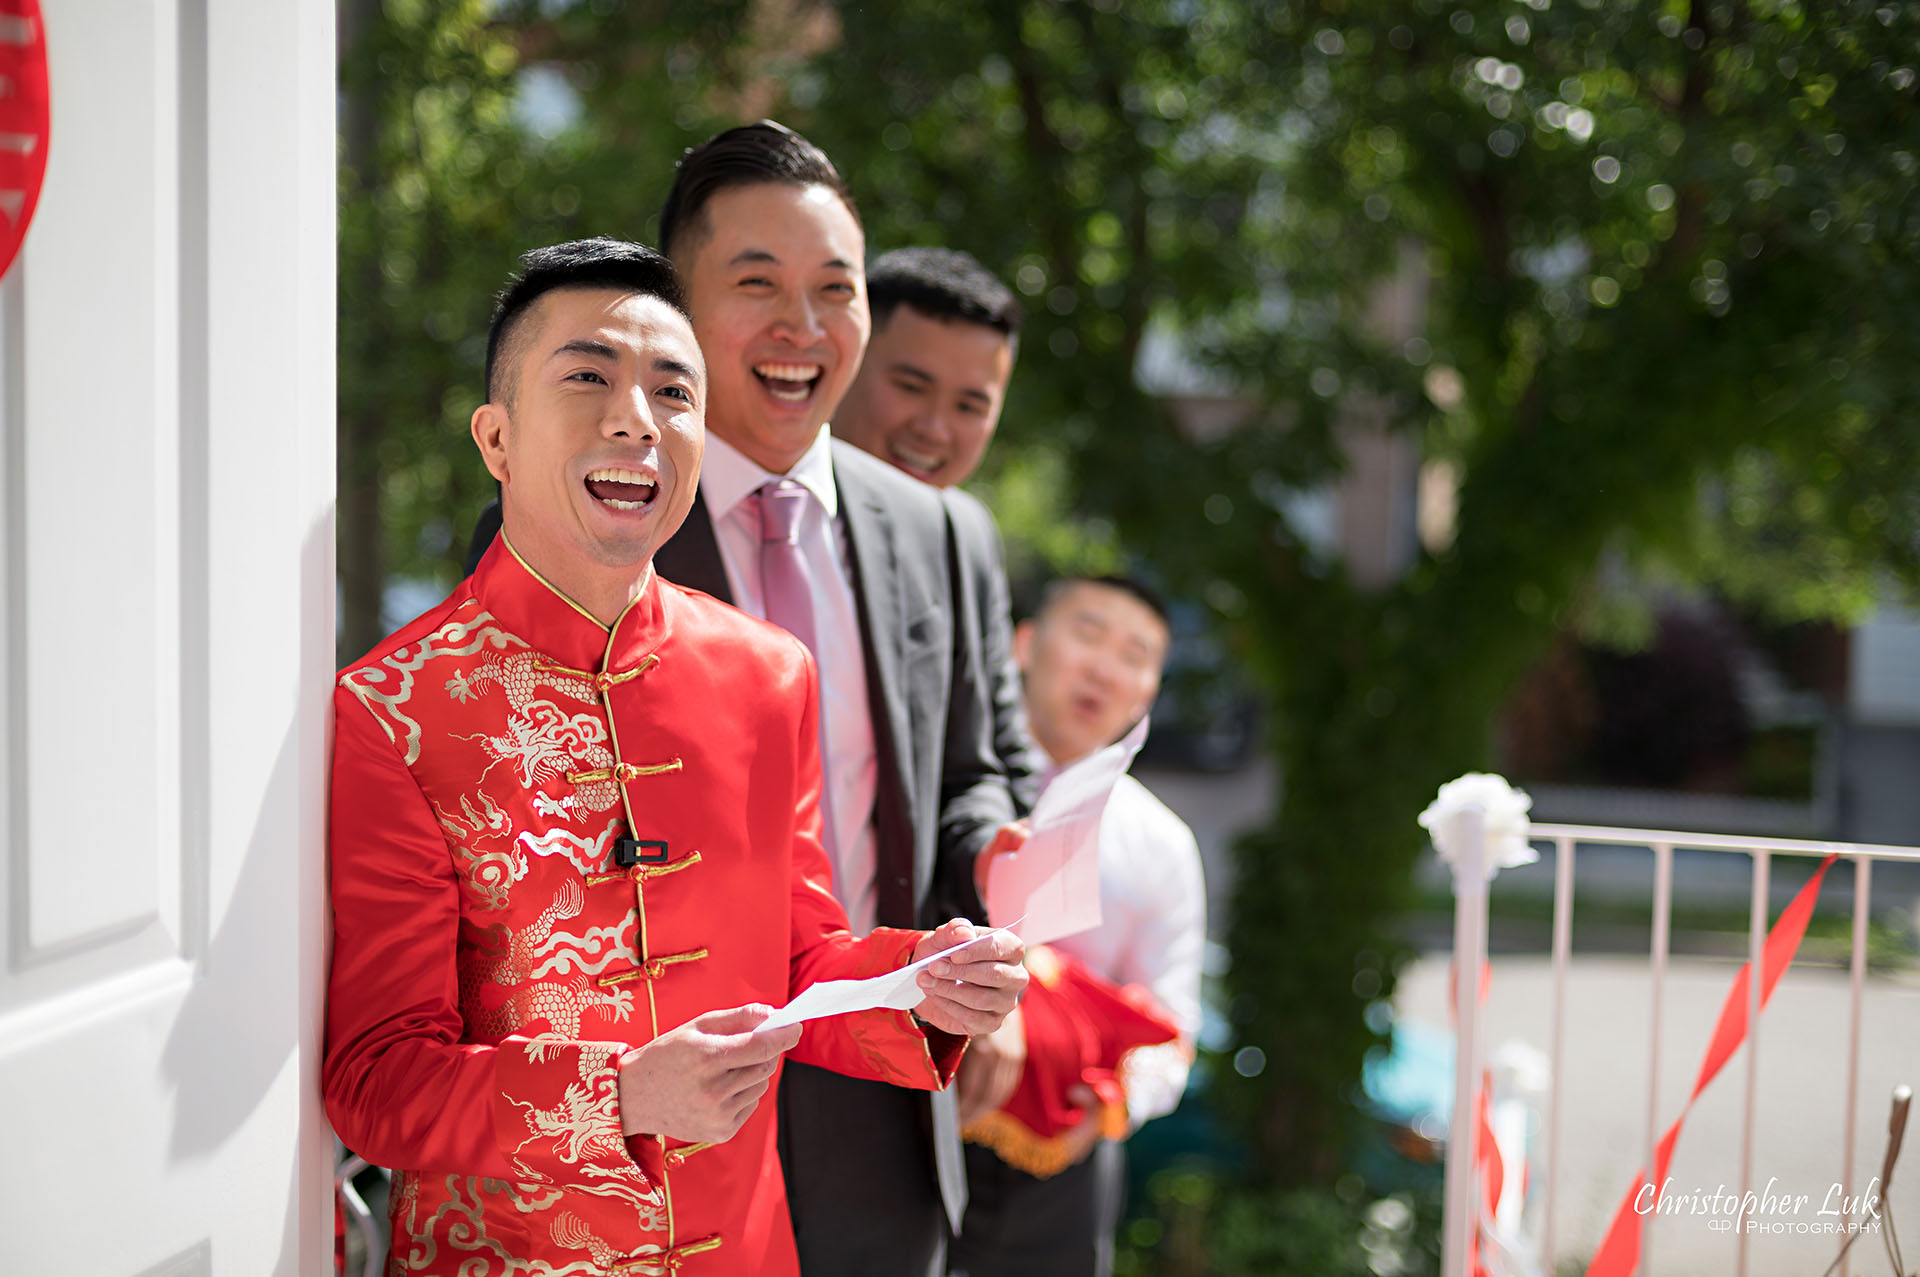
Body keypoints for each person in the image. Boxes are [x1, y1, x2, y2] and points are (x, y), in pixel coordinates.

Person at [324, 238, 1027, 1276]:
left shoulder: (765, 672)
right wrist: (616, 1094)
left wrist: (919, 979)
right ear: (497, 438)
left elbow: (797, 959)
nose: (636, 418)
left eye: (673, 389)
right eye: (589, 377)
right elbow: (378, 1081)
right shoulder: (395, 708)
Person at [949, 575, 1207, 1277]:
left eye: (1134, 653)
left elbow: (1172, 1024)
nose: (1104, 666)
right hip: (915, 1116)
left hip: (1063, 1159)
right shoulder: (939, 782)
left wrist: (1110, 1106)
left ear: (1149, 691)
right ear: (1023, 644)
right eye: (1087, 634)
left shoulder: (1161, 842)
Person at [829, 246, 1043, 813]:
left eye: (970, 406)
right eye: (911, 387)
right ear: (846, 361)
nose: (933, 429)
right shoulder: (736, 505)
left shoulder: (965, 536)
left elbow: (997, 755)